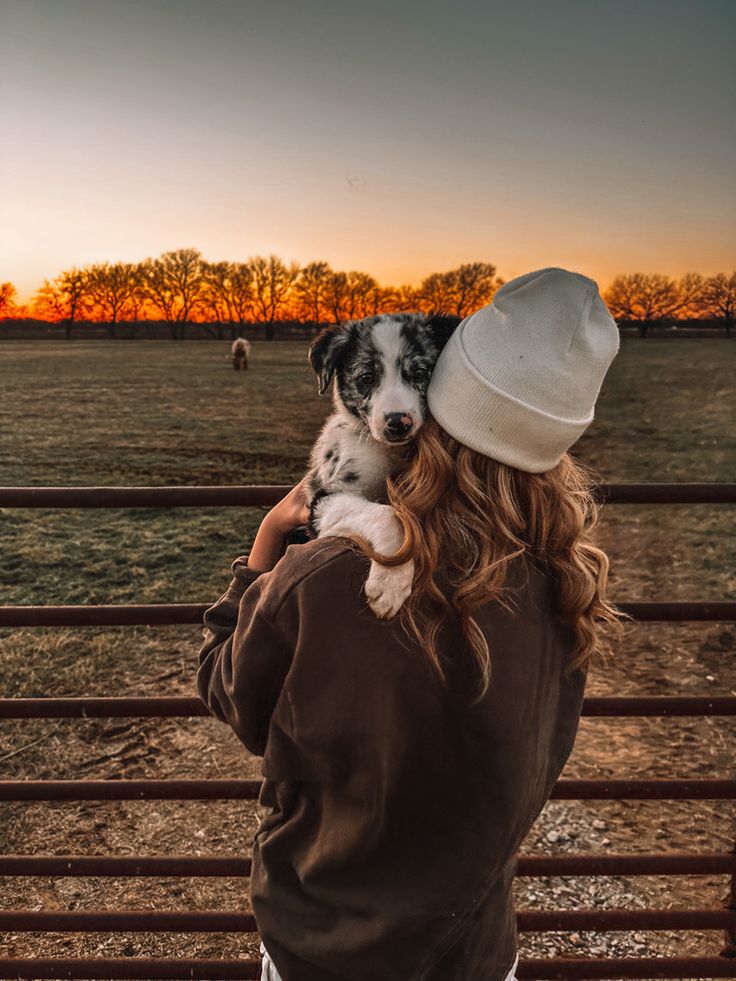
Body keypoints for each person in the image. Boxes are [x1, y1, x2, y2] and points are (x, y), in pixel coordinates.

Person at [197, 267, 621, 981]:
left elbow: (231, 692)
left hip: (324, 942)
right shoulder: (564, 581)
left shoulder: (329, 572)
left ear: (436, 402)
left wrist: (265, 546)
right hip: (472, 948)